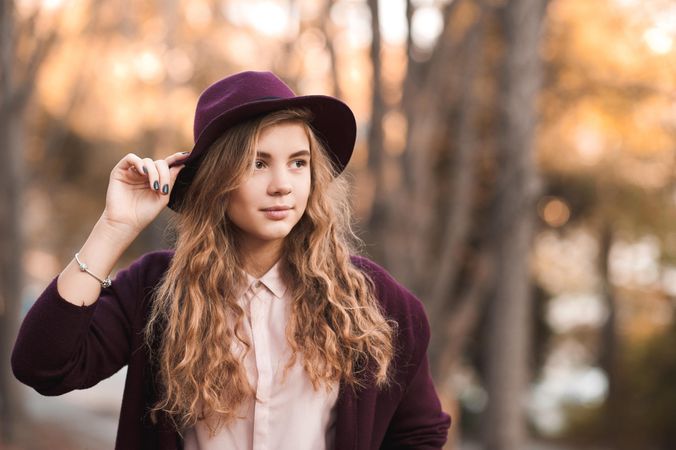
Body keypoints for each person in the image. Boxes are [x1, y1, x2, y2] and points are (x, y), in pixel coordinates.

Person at [12, 71, 451, 449]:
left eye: (298, 163)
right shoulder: (155, 291)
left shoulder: (377, 305)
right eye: (258, 164)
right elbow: (44, 367)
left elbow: (420, 433)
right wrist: (113, 227)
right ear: (217, 179)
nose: (282, 184)